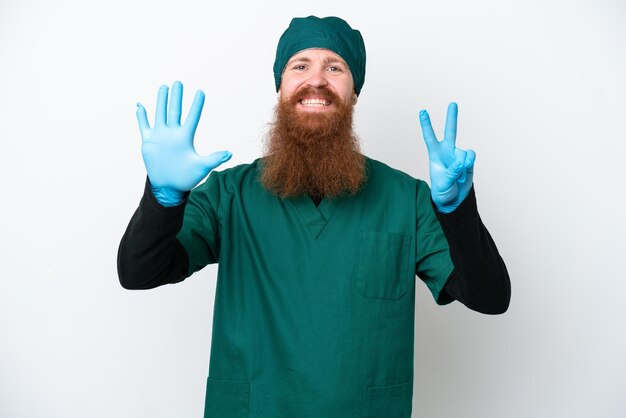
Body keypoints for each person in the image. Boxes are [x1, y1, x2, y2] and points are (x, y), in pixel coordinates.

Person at [118, 15, 510, 418]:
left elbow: (491, 298)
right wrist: (163, 198)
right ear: (280, 86)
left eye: (335, 67)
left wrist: (457, 210)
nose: (317, 80)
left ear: (354, 90)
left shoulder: (404, 199)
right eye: (300, 65)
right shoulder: (228, 195)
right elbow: (138, 273)